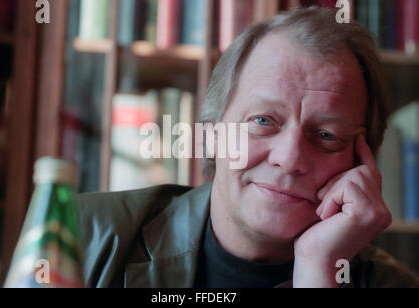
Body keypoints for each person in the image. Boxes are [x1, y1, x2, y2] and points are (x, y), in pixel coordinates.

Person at [76, 7, 419, 288]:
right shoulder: (79, 237)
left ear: (362, 163)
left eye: (327, 135)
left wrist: (318, 269)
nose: (288, 159)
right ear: (211, 134)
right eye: (263, 121)